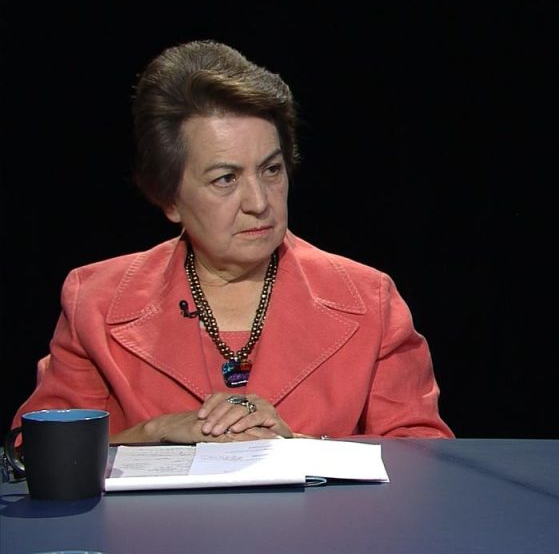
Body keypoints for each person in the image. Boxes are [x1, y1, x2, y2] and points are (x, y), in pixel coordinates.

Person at [11, 40, 453, 443]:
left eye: (271, 170)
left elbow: (423, 461)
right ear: (168, 199)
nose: (259, 202)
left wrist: (294, 449)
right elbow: (33, 455)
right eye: (226, 179)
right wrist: (152, 434)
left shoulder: (369, 299)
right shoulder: (96, 302)